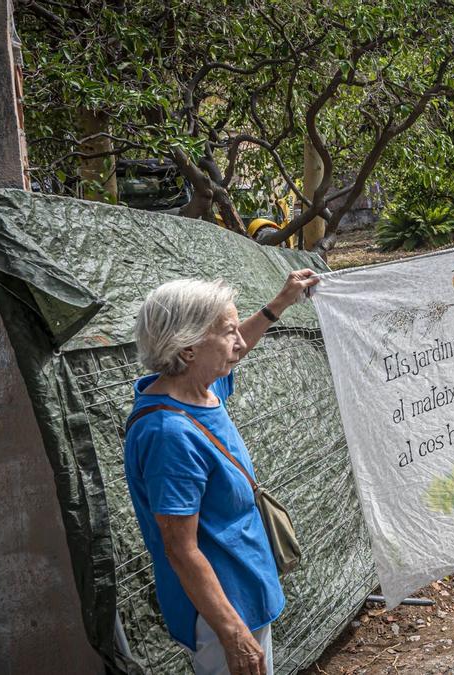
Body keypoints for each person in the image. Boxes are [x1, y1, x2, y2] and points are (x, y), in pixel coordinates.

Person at [124, 270, 319, 675]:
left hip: (243, 589)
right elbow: (181, 548)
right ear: (189, 347)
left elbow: (235, 352)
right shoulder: (169, 435)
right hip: (222, 609)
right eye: (228, 331)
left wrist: (279, 303)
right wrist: (232, 633)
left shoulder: (200, 392)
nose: (240, 342)